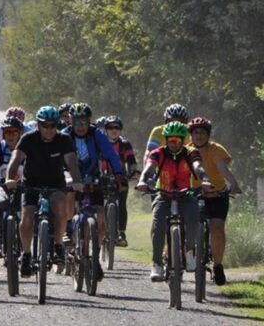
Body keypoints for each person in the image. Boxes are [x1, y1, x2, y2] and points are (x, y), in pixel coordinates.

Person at [4, 106, 83, 277]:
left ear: (57, 125)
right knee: (27, 218)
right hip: (31, 184)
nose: (49, 129)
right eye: (45, 125)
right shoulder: (28, 138)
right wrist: (9, 179)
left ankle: (58, 246)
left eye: (53, 125)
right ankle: (26, 254)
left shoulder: (64, 140)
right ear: (38, 125)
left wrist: (77, 181)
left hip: (55, 183)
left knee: (60, 208)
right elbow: (15, 158)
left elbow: (72, 163)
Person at [136, 121, 212, 281]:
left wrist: (204, 179)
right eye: (171, 140)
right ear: (166, 140)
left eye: (178, 140)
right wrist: (143, 181)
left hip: (185, 195)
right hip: (163, 195)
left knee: (193, 220)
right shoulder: (158, 153)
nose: (174, 143)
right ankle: (156, 264)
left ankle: (189, 251)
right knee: (158, 227)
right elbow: (149, 168)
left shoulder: (191, 152)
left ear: (183, 140)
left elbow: (198, 166)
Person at [62, 103, 126, 281]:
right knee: (69, 193)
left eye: (84, 122)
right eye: (76, 122)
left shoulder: (96, 134)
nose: (80, 127)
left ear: (89, 121)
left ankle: (95, 259)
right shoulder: (65, 135)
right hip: (70, 175)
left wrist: (119, 174)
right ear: (71, 122)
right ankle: (68, 228)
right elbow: (57, 158)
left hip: (92, 177)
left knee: (100, 219)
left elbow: (110, 154)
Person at [187, 117, 241, 285]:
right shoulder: (185, 150)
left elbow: (222, 167)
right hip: (193, 194)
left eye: (202, 132)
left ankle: (217, 265)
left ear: (208, 134)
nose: (199, 135)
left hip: (217, 194)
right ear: (191, 135)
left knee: (217, 228)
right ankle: (178, 259)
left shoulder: (215, 149)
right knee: (186, 226)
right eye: (195, 132)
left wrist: (233, 183)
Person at [0, 116, 25, 258]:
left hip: (23, 187)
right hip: (1, 186)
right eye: (7, 132)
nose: (11, 135)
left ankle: (23, 243)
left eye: (14, 132)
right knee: (2, 203)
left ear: (20, 133)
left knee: (26, 209)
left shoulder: (26, 148)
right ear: (3, 134)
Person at [101, 115, 140, 247]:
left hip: (121, 178)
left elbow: (131, 161)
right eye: (110, 127)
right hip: (103, 177)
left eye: (117, 127)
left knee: (122, 204)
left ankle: (121, 233)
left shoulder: (125, 144)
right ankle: (99, 230)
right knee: (99, 204)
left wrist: (133, 172)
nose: (114, 130)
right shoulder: (101, 143)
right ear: (105, 130)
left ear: (121, 130)